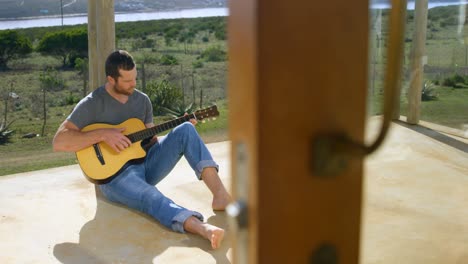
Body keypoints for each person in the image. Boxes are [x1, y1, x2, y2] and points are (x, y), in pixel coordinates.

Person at [52, 50, 232, 249]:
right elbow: (59, 141)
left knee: (185, 129)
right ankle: (202, 228)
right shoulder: (92, 103)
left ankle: (220, 196)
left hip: (144, 165)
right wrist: (103, 134)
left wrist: (175, 128)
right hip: (113, 179)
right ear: (111, 79)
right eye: (127, 81)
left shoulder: (142, 100)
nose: (134, 84)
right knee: (151, 196)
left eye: (135, 78)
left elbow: (149, 143)